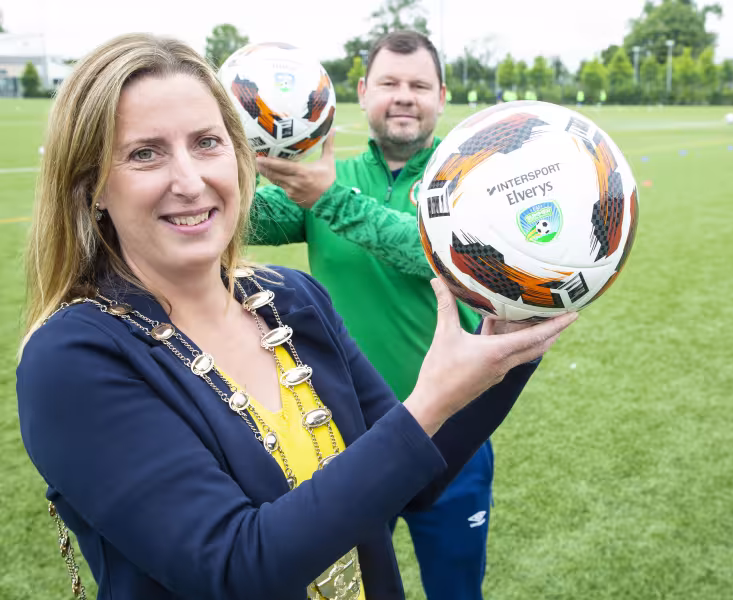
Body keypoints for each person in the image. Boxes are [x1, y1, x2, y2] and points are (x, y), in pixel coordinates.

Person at [16, 33, 577, 600]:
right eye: (145, 153)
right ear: (91, 188)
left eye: (207, 142)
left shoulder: (292, 299)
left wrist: (511, 335)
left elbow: (416, 483)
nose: (189, 181)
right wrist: (429, 401)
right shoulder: (72, 359)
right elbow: (235, 568)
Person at [252, 31, 499, 600]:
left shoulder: (468, 180)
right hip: (345, 441)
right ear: (363, 92)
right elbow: (240, 221)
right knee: (355, 591)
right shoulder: (321, 177)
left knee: (456, 592)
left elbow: (433, 250)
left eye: (418, 85)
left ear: (442, 96)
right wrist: (238, 150)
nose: (404, 96)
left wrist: (328, 197)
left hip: (452, 434)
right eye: (389, 83)